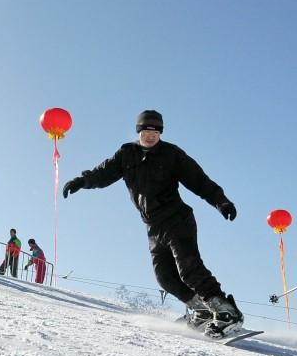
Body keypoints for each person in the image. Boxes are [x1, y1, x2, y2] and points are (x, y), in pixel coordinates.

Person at [62, 110, 242, 338]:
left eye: (156, 132)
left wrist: (221, 202)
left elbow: (199, 180)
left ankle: (227, 312)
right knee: (165, 277)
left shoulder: (171, 154)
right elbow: (103, 173)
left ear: (161, 133)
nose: (151, 135)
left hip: (177, 220)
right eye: (147, 131)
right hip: (154, 227)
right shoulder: (126, 154)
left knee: (189, 269)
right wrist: (81, 181)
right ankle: (200, 310)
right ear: (139, 131)